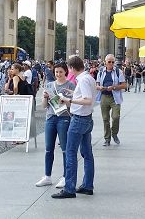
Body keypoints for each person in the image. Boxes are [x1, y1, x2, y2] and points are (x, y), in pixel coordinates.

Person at [52, 56, 97, 199]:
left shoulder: (82, 80)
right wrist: (73, 93)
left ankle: (69, 188)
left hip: (78, 120)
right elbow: (87, 96)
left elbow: (87, 99)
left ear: (71, 68)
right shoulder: (88, 78)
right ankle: (87, 185)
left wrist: (69, 100)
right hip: (87, 119)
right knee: (87, 154)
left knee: (71, 153)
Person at [36, 62, 75, 188]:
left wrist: (62, 100)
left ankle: (65, 176)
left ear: (65, 72)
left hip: (64, 117)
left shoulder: (70, 85)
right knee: (48, 148)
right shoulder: (49, 85)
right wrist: (45, 97)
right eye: (56, 72)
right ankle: (47, 176)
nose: (58, 74)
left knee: (64, 148)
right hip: (51, 117)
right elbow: (43, 106)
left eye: (61, 72)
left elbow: (72, 105)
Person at [96, 54, 126, 146]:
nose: (111, 63)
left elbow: (124, 85)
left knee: (116, 117)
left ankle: (114, 133)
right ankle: (107, 139)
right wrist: (99, 87)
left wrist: (113, 87)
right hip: (104, 96)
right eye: (109, 61)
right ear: (105, 62)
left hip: (114, 97)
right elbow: (96, 84)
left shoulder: (118, 71)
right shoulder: (101, 71)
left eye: (113, 62)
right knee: (105, 119)